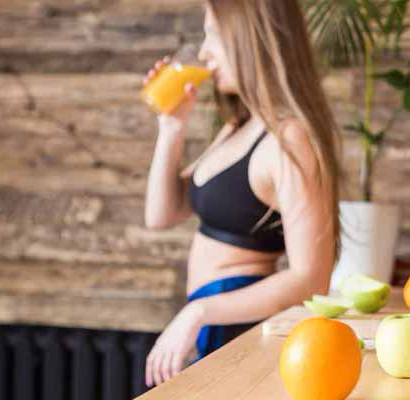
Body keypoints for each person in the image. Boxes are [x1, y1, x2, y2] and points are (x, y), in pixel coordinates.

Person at [143, 0, 341, 387]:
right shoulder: (240, 126)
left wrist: (201, 312)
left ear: (253, 38)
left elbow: (311, 278)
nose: (204, 52)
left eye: (213, 35)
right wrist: (171, 128)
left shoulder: (290, 139)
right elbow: (162, 214)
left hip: (237, 324)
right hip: (214, 319)